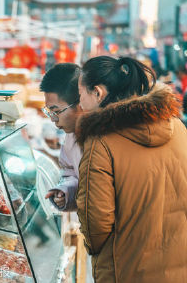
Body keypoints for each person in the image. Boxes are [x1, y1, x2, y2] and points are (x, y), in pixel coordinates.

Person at [76, 56, 187, 283]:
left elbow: (95, 222)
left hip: (128, 268)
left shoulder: (100, 142)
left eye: (80, 94)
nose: (79, 103)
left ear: (97, 93)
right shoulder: (176, 125)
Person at [40, 63, 82, 211]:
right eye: (49, 112)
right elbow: (69, 170)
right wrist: (66, 191)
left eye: (56, 111)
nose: (53, 119)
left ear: (80, 103)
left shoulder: (104, 138)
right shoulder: (71, 134)